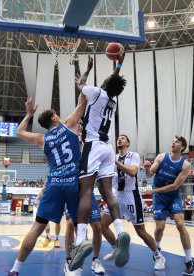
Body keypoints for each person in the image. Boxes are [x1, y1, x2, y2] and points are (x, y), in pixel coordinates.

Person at [8, 92, 87, 276]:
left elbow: (19, 132)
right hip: (73, 182)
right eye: (56, 115)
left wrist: (28, 114)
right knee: (79, 227)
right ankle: (76, 268)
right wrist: (83, 82)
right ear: (54, 118)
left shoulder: (41, 139)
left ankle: (15, 269)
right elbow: (83, 102)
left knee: (37, 227)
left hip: (54, 184)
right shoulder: (69, 125)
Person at [70, 54, 130, 271]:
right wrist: (119, 64)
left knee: (85, 192)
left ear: (104, 85)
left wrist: (85, 70)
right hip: (107, 149)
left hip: (93, 146)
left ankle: (80, 241)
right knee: (108, 194)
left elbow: (82, 85)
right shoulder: (112, 99)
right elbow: (112, 81)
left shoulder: (95, 92)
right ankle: (121, 231)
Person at [102, 134, 165, 270]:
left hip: (131, 195)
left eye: (123, 138)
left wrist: (115, 163)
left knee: (140, 231)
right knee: (103, 225)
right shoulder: (113, 157)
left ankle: (158, 255)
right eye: (118, 138)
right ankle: (117, 249)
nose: (120, 139)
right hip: (116, 194)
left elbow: (132, 172)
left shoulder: (133, 155)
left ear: (128, 143)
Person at [142, 136, 194, 275]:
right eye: (172, 140)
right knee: (160, 227)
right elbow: (149, 175)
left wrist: (153, 190)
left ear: (182, 147)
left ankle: (189, 261)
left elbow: (175, 186)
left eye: (177, 141)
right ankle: (158, 251)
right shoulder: (161, 157)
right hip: (160, 198)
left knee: (180, 224)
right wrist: (147, 169)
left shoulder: (185, 165)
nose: (173, 142)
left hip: (173, 196)